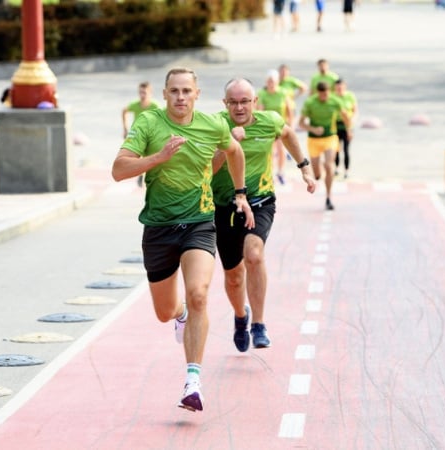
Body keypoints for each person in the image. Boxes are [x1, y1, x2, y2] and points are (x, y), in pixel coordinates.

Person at [111, 67, 254, 413]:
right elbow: (118, 170)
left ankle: (193, 380)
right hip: (159, 227)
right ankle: (180, 315)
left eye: (186, 91)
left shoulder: (212, 125)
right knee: (165, 312)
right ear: (164, 94)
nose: (180, 97)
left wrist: (240, 193)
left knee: (200, 294)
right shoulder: (149, 123)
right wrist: (158, 158)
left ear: (196, 94)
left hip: (199, 223)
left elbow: (234, 151)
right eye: (174, 91)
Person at [212, 78, 316, 352]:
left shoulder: (269, 120)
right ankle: (240, 315)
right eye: (233, 102)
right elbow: (206, 170)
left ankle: (258, 323)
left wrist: (304, 166)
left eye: (245, 101)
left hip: (260, 201)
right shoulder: (214, 125)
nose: (239, 107)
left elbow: (289, 134)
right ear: (225, 104)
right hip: (223, 206)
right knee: (233, 276)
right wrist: (228, 144)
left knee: (254, 254)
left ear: (255, 102)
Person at [298, 81, 352, 210]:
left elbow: (345, 116)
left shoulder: (335, 101)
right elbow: (301, 123)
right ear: (318, 93)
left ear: (330, 92)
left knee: (329, 165)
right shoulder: (310, 102)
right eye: (322, 95)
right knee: (317, 175)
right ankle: (318, 171)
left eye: (326, 95)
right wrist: (313, 129)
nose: (324, 97)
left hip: (330, 138)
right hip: (314, 140)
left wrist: (349, 129)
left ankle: (328, 197)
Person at [257, 69, 294, 184]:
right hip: (267, 126)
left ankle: (281, 172)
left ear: (277, 82)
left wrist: (290, 125)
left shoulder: (283, 92)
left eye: (273, 81)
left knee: (281, 149)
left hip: (281, 125)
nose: (271, 84)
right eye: (269, 81)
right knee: (269, 151)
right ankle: (269, 173)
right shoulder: (262, 93)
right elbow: (260, 110)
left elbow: (289, 110)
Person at [122, 82, 160, 187]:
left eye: (144, 93)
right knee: (135, 155)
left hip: (150, 133)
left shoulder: (155, 105)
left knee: (149, 154)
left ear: (150, 93)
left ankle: (144, 174)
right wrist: (125, 128)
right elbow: (124, 111)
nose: (142, 95)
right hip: (137, 133)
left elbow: (162, 118)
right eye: (140, 93)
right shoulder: (135, 104)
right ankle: (141, 173)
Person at [333, 79, 358, 179]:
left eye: (341, 87)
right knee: (336, 149)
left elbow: (355, 111)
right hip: (335, 125)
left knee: (346, 149)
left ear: (345, 86)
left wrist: (352, 124)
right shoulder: (333, 97)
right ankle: (336, 168)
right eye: (338, 87)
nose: (339, 89)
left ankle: (347, 170)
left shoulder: (350, 96)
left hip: (347, 125)